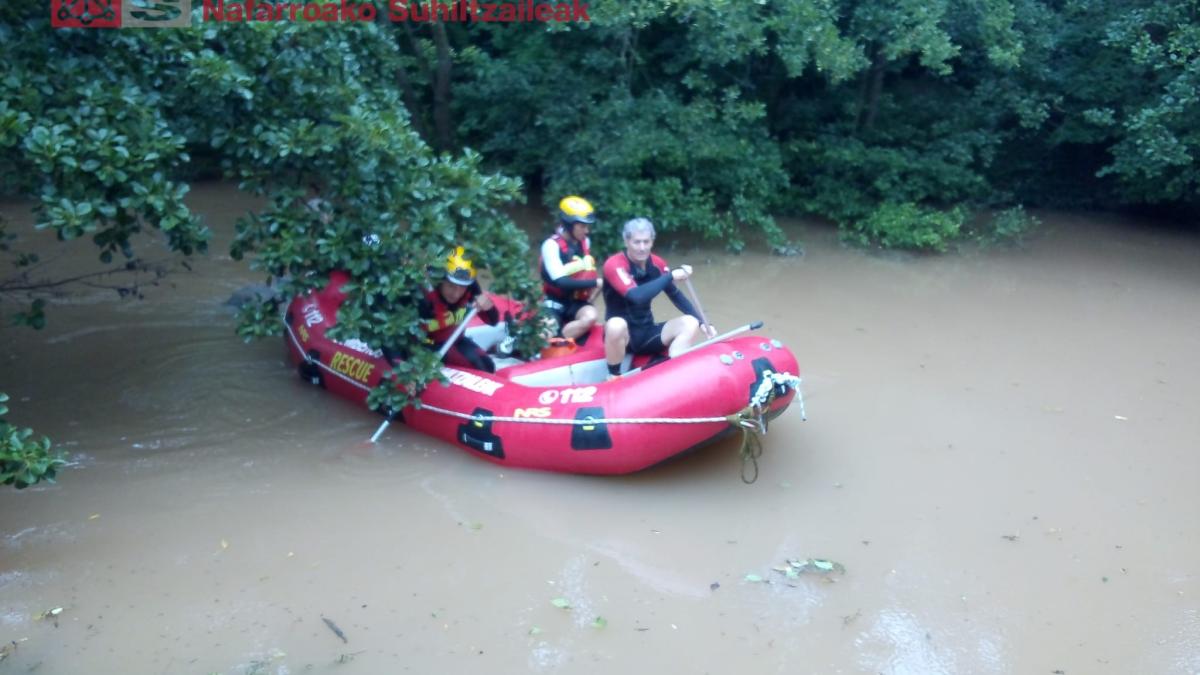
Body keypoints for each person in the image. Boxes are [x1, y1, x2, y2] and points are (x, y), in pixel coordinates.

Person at [601, 217, 716, 378]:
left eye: (646, 242)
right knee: (615, 324)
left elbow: (675, 295)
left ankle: (673, 368)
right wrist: (669, 276)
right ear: (626, 241)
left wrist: (703, 322)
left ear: (652, 242)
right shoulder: (614, 265)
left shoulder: (657, 264)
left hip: (646, 332)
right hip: (622, 337)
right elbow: (636, 296)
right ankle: (613, 375)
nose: (642, 248)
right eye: (637, 242)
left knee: (691, 322)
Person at [419, 246, 499, 373]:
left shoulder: (469, 287)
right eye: (451, 286)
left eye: (461, 288)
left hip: (453, 340)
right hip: (424, 347)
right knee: (478, 367)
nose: (456, 294)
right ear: (440, 281)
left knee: (487, 366)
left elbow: (493, 321)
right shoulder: (423, 297)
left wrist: (489, 307)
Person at [540, 196, 602, 341]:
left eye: (587, 226)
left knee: (590, 317)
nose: (586, 231)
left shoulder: (585, 242)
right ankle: (545, 335)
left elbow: (585, 272)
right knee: (544, 334)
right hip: (553, 301)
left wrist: (590, 295)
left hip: (575, 302)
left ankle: (560, 340)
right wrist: (596, 283)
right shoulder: (551, 245)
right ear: (568, 224)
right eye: (582, 226)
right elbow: (561, 282)